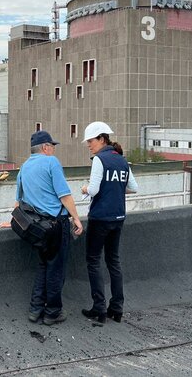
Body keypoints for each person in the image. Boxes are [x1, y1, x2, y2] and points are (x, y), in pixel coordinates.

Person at [3, 130, 83, 325]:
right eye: (52, 146)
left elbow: (18, 204)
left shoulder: (23, 168)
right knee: (56, 269)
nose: (54, 150)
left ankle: (35, 309)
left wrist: (12, 222)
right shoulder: (51, 163)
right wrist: (77, 219)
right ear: (46, 147)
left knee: (43, 265)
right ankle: (52, 313)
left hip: (36, 228)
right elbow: (64, 195)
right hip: (56, 225)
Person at [80, 121, 138, 323]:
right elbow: (133, 187)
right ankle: (117, 308)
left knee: (93, 261)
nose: (89, 145)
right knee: (113, 261)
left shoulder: (99, 160)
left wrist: (85, 189)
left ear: (102, 139)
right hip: (118, 217)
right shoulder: (122, 160)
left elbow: (94, 190)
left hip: (100, 218)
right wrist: (114, 189)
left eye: (91, 141)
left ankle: (99, 308)